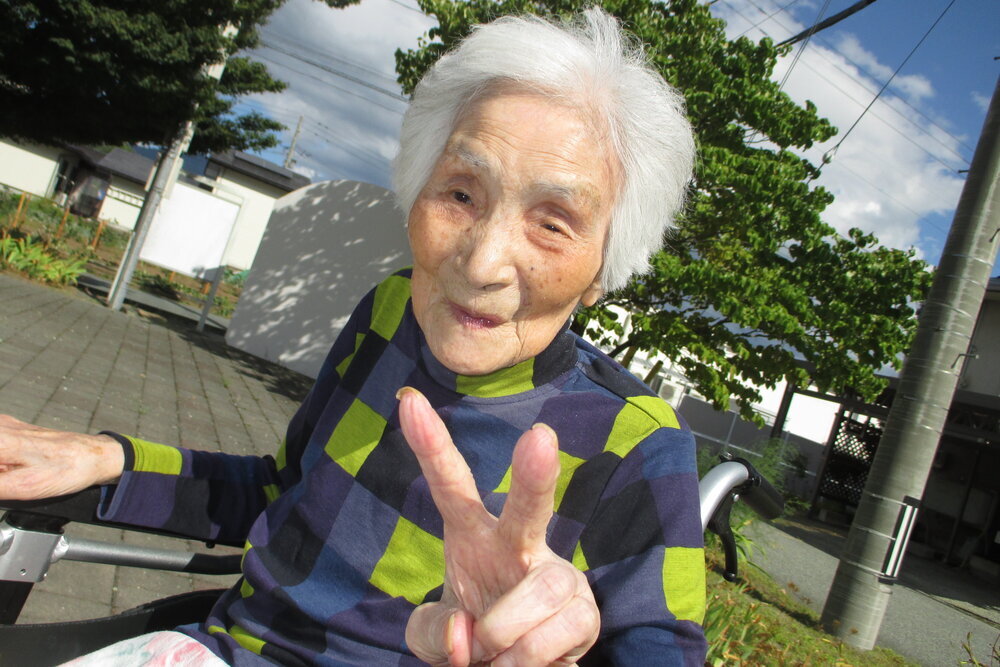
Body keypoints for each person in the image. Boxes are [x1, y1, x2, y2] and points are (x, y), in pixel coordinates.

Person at [0, 8, 705, 666]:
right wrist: (105, 460)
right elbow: (280, 490)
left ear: (601, 271)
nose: (482, 263)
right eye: (461, 193)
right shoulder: (391, 312)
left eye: (553, 223)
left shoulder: (638, 444)